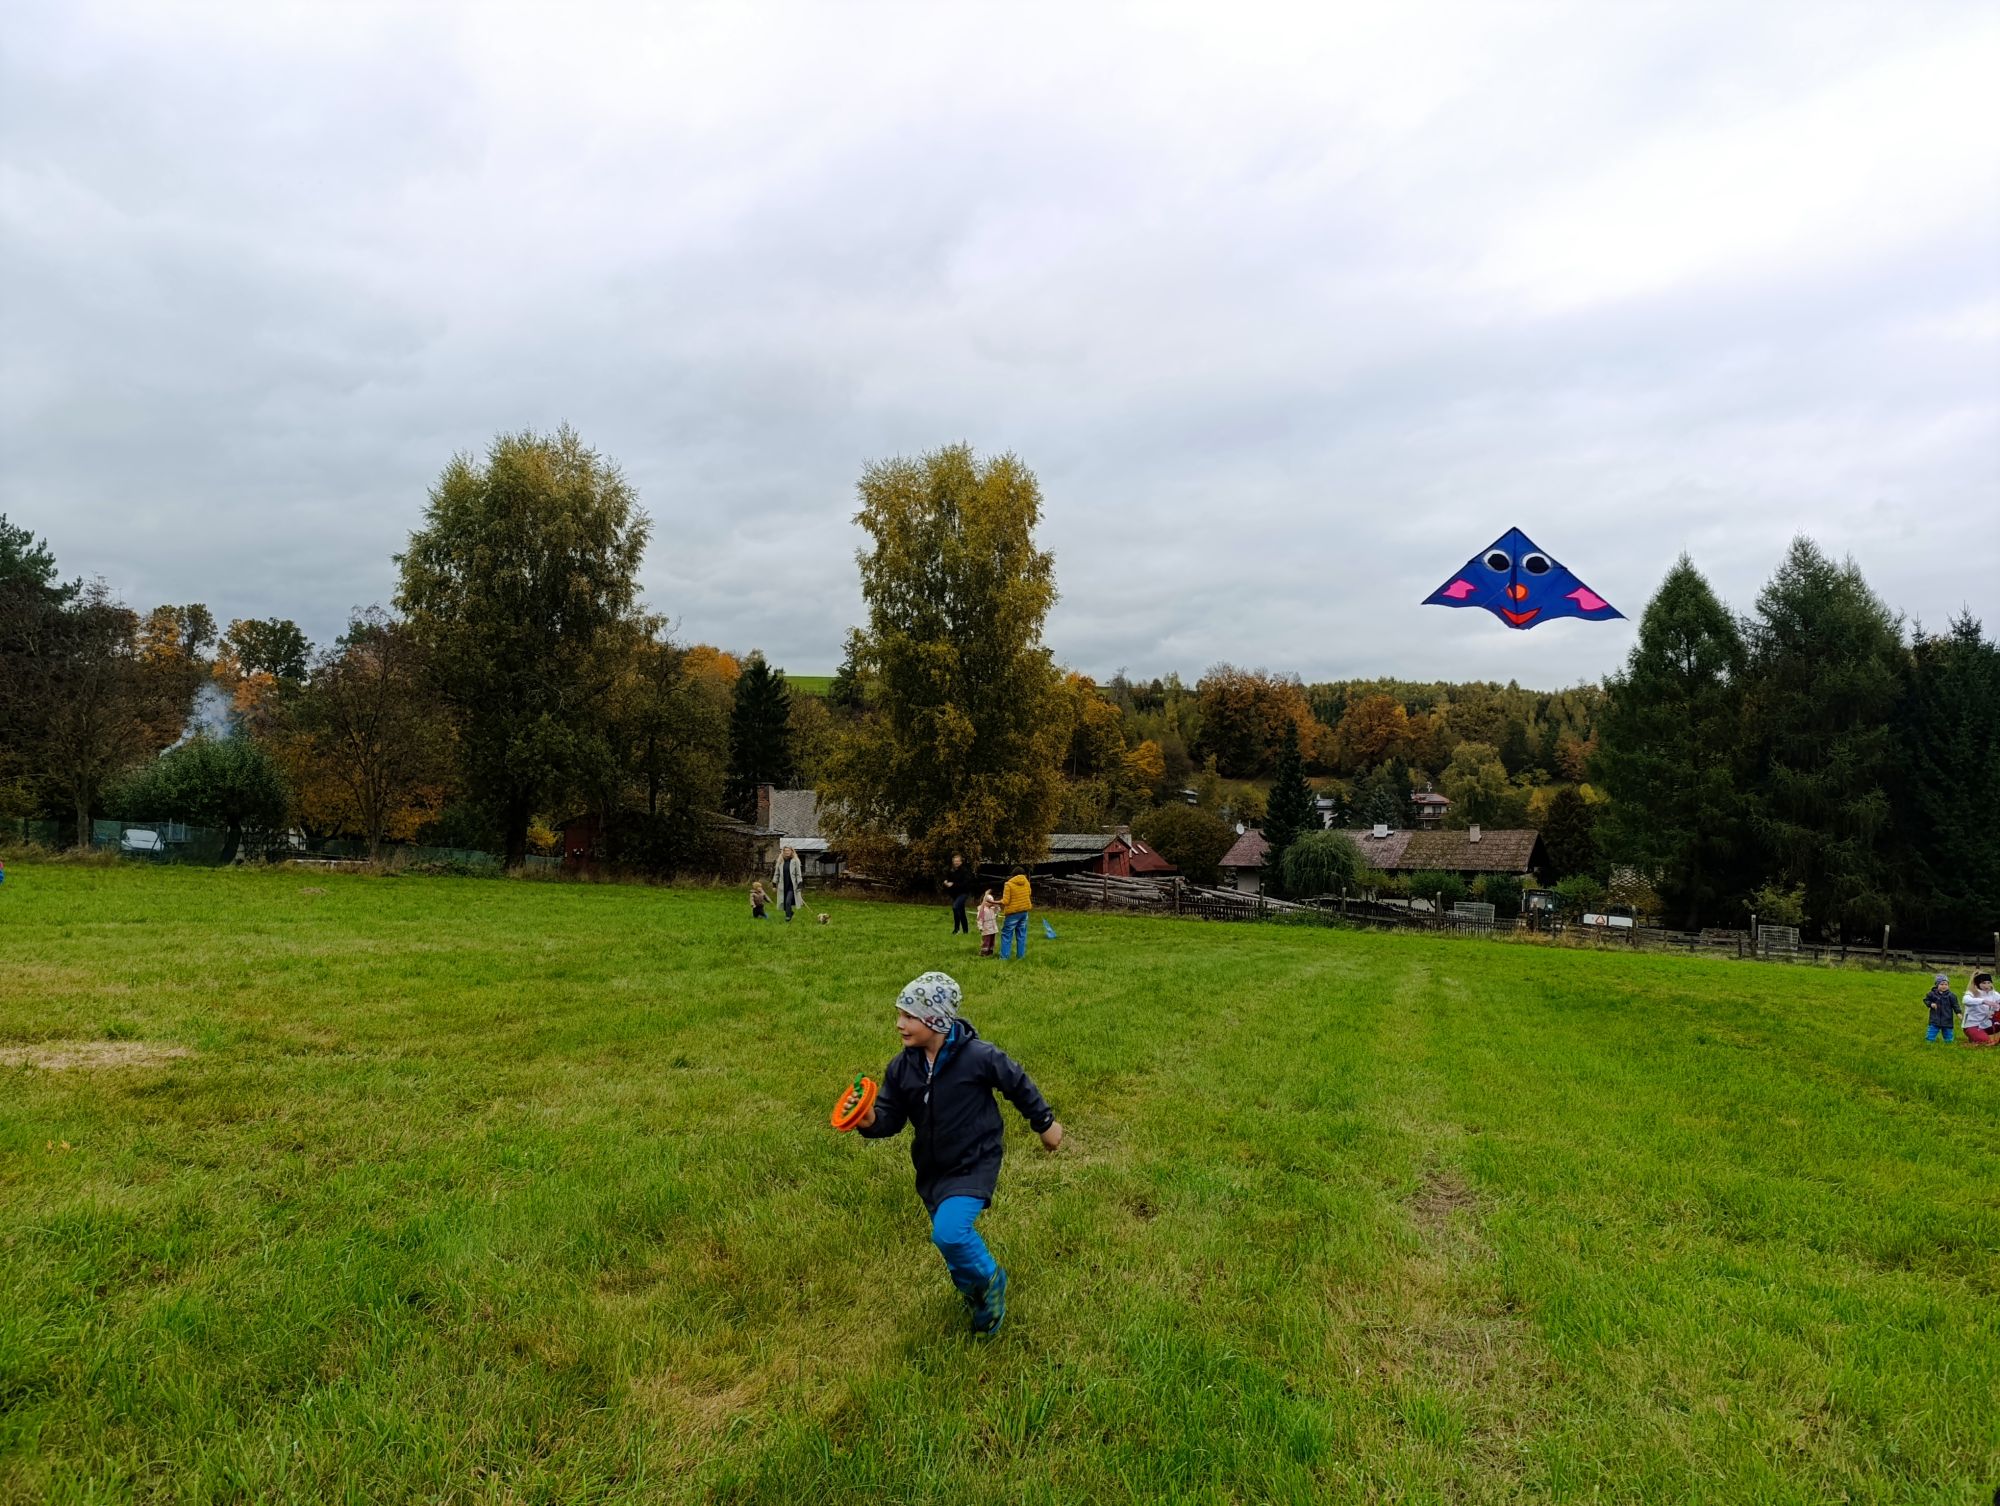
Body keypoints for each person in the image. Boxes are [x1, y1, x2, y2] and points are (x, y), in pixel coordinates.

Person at [853, 971, 1062, 1336]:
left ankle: (990, 1281)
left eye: (910, 1016)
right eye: (899, 1014)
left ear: (936, 1019)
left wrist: (1045, 1123)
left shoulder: (979, 1057)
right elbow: (891, 1117)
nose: (899, 1024)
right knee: (951, 1245)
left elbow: (1017, 1083)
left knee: (949, 1234)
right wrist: (869, 1119)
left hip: (974, 1161)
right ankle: (977, 1297)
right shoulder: (902, 1067)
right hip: (932, 1169)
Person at [999, 868, 1033, 960]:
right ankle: (1020, 957)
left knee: (1006, 935)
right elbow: (1029, 893)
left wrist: (994, 902)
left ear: (1013, 875)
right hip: (1024, 912)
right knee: (1021, 935)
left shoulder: (1008, 884)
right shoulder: (1027, 883)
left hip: (1012, 913)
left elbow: (1005, 901)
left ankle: (1004, 957)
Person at [1962, 972, 1998, 1047]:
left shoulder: (1994, 994)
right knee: (1985, 1041)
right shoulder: (1972, 993)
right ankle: (1974, 1040)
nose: (1987, 985)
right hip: (1972, 1025)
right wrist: (1983, 1001)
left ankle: (1978, 1038)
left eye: (1989, 982)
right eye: (1983, 983)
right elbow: (1965, 1000)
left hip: (1987, 1024)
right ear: (1978, 984)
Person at [945, 854, 976, 935]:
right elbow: (947, 879)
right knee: (961, 912)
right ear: (953, 862)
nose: (956, 863)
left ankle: (957, 929)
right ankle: (965, 931)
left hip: (963, 893)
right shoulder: (951, 870)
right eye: (955, 861)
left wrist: (953, 884)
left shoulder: (964, 871)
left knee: (955, 907)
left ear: (961, 862)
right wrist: (946, 882)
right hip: (955, 894)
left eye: (958, 861)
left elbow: (965, 883)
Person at [1923, 973, 1959, 1043]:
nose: (1944, 986)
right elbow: (1926, 1000)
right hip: (1934, 1019)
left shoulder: (1951, 996)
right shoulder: (1932, 994)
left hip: (1947, 1019)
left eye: (1946, 984)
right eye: (1941, 984)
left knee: (1948, 1035)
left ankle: (1948, 1043)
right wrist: (1931, 1004)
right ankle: (1929, 1042)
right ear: (1937, 985)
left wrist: (1958, 1012)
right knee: (1931, 1033)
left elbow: (1955, 1005)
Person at [773, 845, 804, 923]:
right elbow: (776, 874)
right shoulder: (780, 861)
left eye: (788, 850)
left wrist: (800, 884)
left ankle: (788, 917)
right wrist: (774, 884)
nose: (787, 852)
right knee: (783, 904)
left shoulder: (795, 861)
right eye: (785, 851)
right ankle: (790, 912)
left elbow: (798, 874)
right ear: (783, 852)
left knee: (788, 902)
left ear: (791, 851)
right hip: (782, 886)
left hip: (792, 886)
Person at [976, 889, 1000, 957]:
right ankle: (983, 953)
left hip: (993, 929)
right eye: (990, 902)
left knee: (992, 941)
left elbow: (998, 910)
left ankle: (990, 952)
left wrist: (996, 905)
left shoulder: (992, 909)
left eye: (992, 901)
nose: (991, 903)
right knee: (986, 941)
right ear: (985, 902)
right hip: (986, 928)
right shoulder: (982, 910)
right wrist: (980, 927)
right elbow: (979, 919)